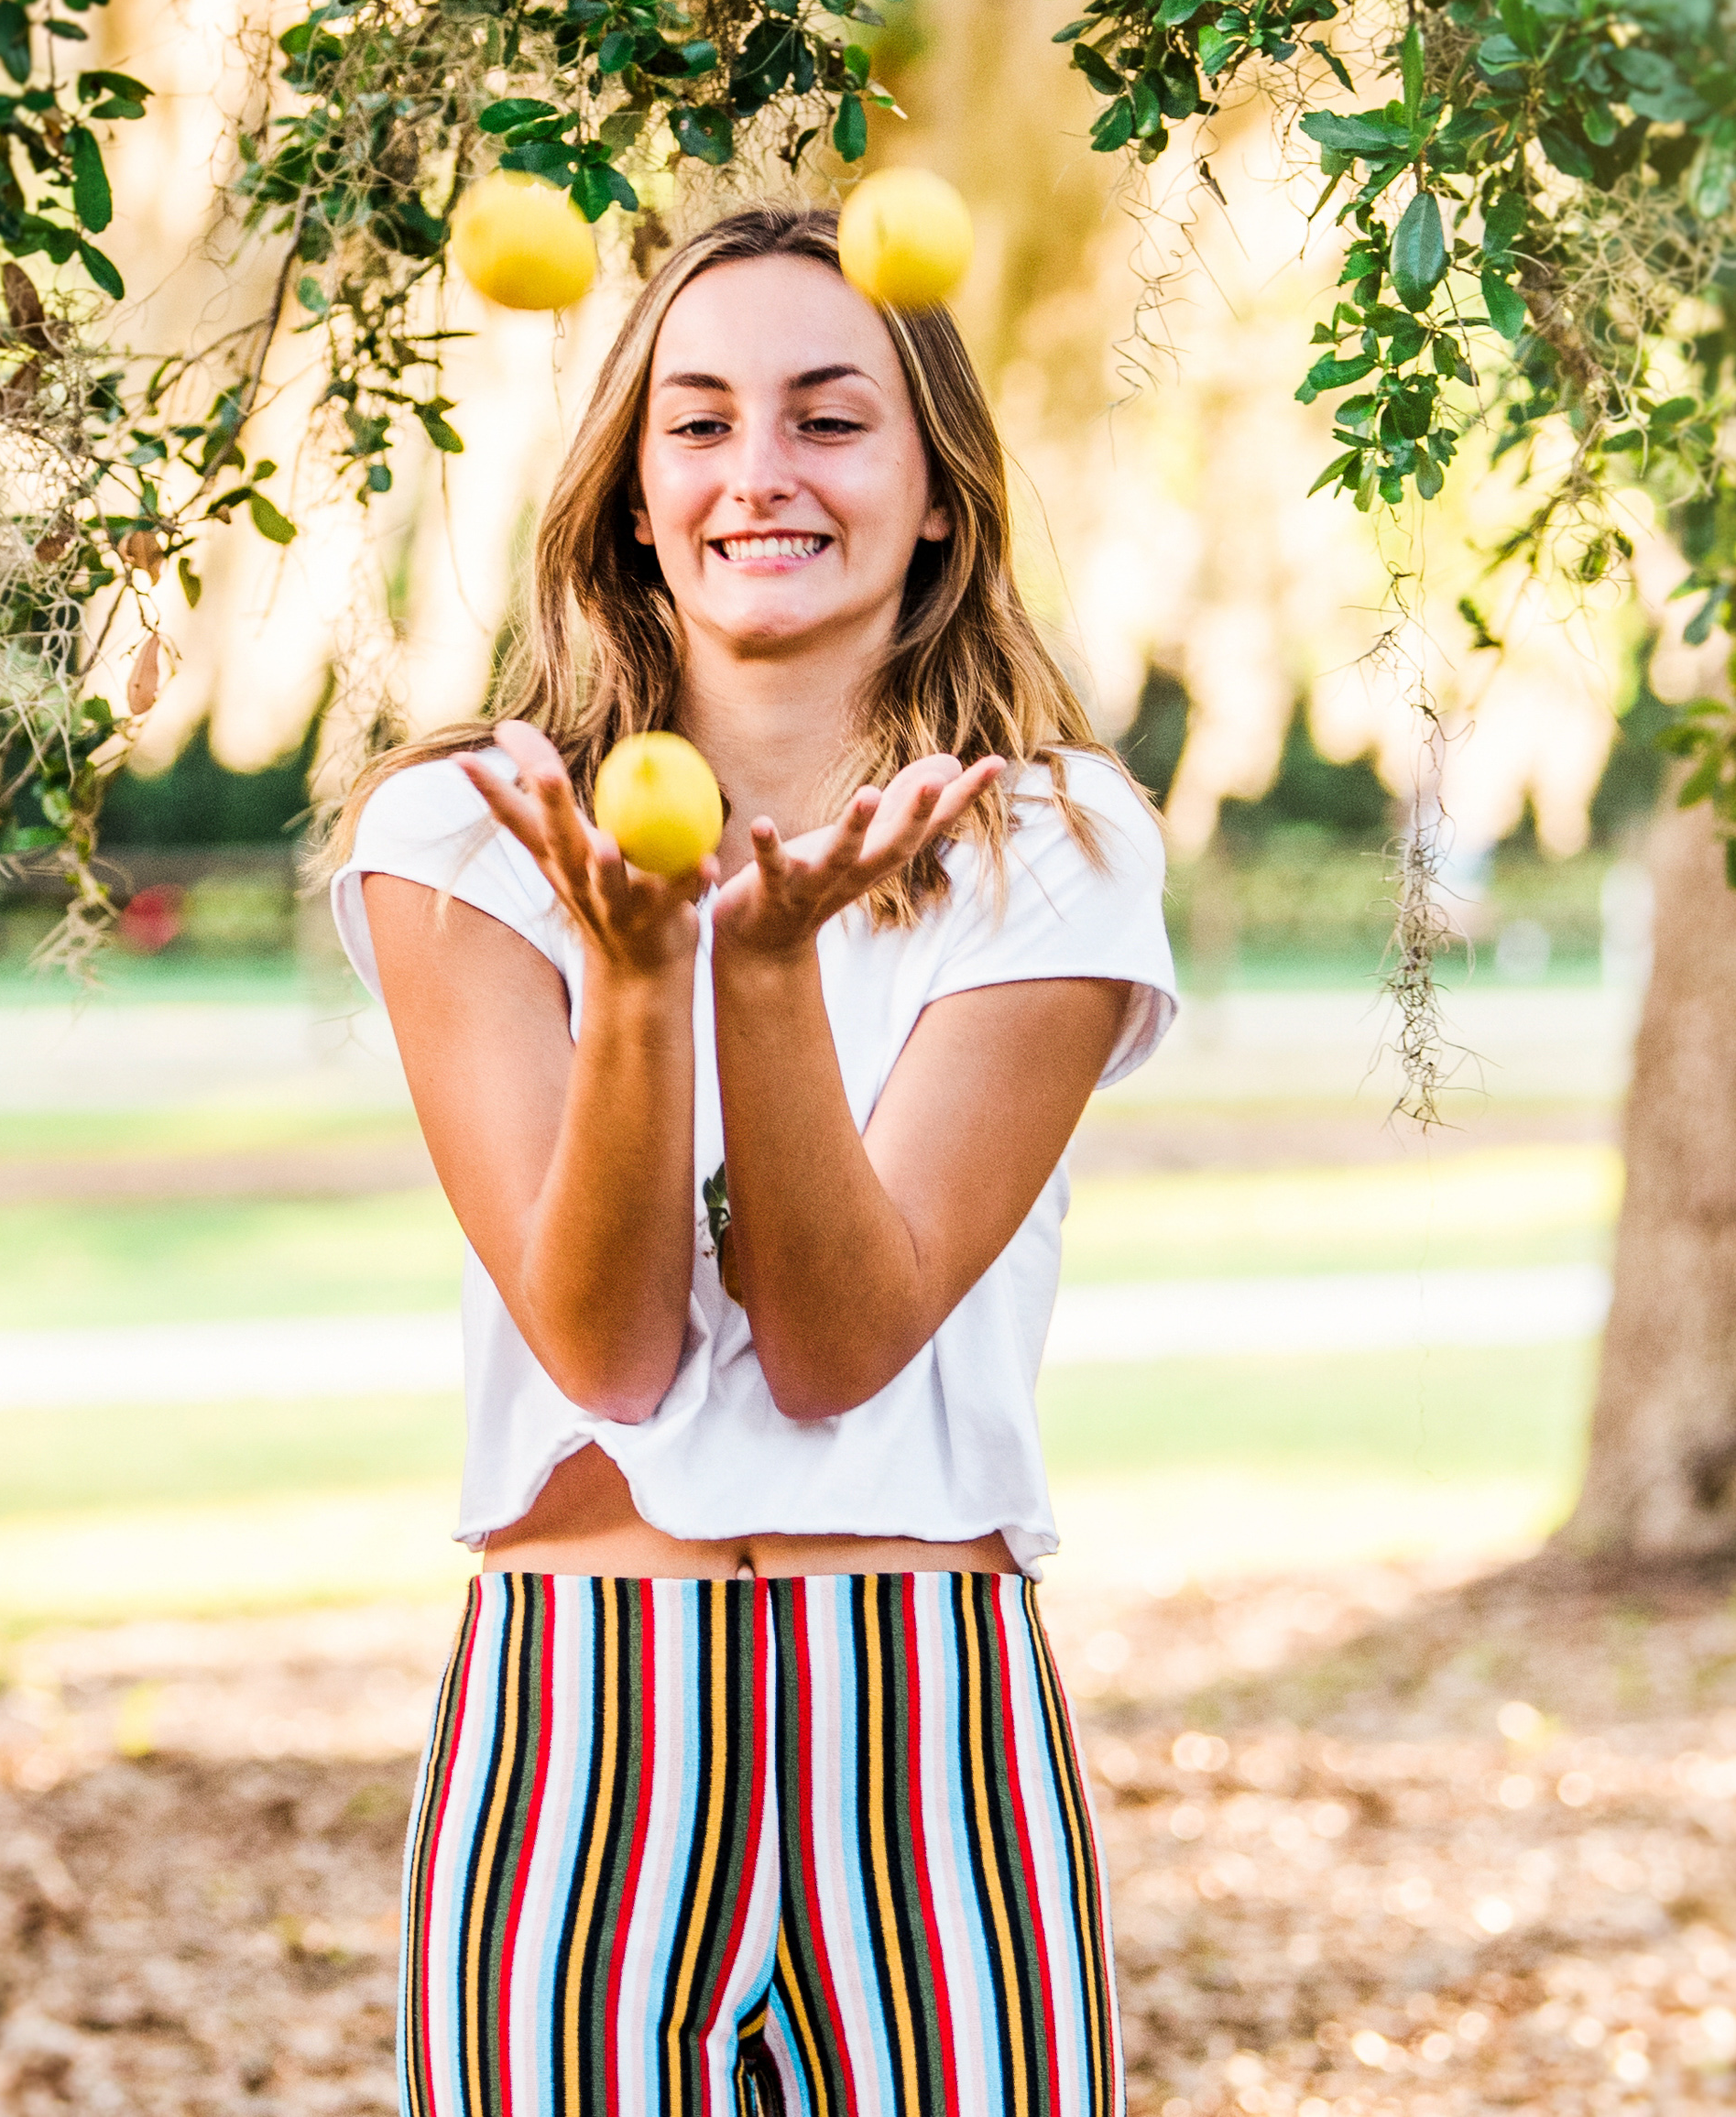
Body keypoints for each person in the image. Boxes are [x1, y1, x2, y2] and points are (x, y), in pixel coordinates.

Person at [324, 202, 1179, 2114]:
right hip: (577, 1722)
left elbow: (834, 1342)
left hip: (924, 1717)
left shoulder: (1058, 846)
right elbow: (607, 1357)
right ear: (632, 497)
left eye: (828, 416)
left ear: (935, 494)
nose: (757, 474)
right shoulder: (454, 838)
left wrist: (758, 973)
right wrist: (638, 986)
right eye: (696, 424)